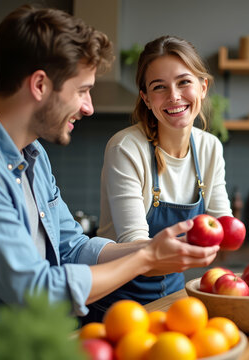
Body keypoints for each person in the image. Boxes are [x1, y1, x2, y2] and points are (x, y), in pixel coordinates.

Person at [0, 6, 219, 342]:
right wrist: (145, 257)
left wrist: (154, 246)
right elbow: (36, 290)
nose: (89, 107)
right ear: (40, 85)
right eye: (82, 90)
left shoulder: (32, 152)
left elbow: (72, 248)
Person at [88, 35, 232, 320]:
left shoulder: (209, 147)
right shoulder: (126, 148)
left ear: (203, 87)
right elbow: (136, 250)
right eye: (159, 87)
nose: (174, 96)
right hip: (117, 305)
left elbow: (223, 226)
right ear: (146, 98)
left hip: (174, 300)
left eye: (184, 82)